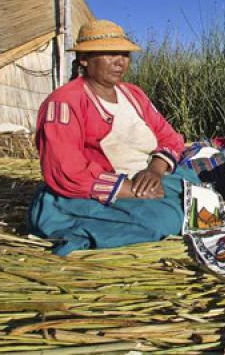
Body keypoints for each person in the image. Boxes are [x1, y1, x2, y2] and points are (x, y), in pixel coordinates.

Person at [28, 19, 199, 255]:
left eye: (124, 54)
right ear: (84, 60)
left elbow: (169, 137)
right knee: (165, 221)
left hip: (148, 178)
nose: (120, 61)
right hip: (92, 191)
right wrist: (131, 189)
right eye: (109, 53)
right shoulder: (64, 102)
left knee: (202, 197)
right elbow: (65, 168)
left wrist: (154, 171)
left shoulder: (133, 95)